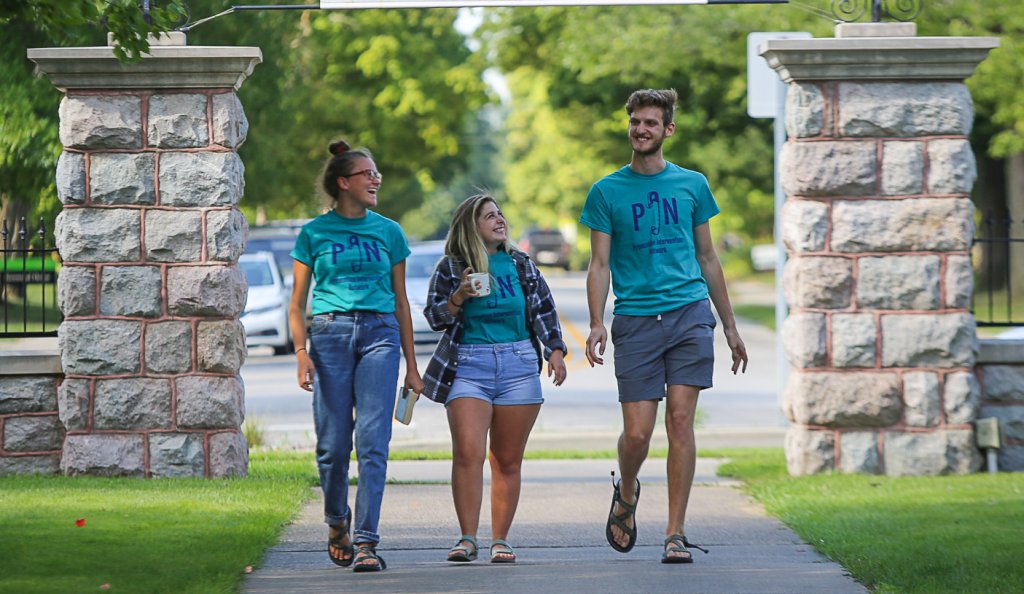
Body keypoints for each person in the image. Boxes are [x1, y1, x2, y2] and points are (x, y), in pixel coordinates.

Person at [580, 89, 748, 564]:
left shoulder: (692, 185)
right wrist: (596, 322)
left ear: (668, 129)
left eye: (651, 122)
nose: (641, 129)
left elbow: (708, 257)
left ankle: (675, 532)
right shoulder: (606, 191)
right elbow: (598, 265)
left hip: (689, 313)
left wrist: (730, 326)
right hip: (635, 319)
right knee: (637, 433)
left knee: (680, 420)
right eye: (636, 122)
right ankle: (628, 489)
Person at [288, 139, 424, 572]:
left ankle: (366, 541)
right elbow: (296, 303)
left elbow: (402, 302)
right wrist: (300, 352)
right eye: (368, 174)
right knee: (331, 446)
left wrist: (413, 368)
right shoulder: (313, 233)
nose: (376, 179)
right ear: (343, 182)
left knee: (373, 442)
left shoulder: (389, 231)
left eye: (376, 172)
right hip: (328, 336)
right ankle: (335, 521)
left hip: (380, 334)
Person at [422, 194, 568, 564]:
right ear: (471, 226)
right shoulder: (452, 267)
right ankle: (467, 538)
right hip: (469, 366)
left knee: (506, 460)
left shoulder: (520, 264)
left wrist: (555, 350)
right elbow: (435, 317)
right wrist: (458, 296)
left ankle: (500, 539)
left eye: (500, 213)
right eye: (489, 216)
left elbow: (544, 309)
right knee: (468, 454)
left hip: (519, 364)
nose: (499, 219)